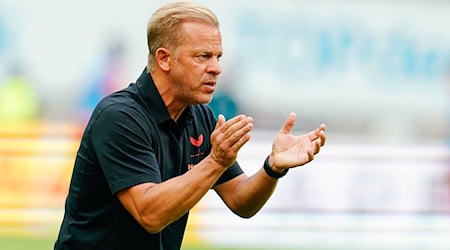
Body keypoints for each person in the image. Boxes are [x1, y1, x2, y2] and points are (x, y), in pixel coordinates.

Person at [54, 1, 326, 249]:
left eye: (218, 57)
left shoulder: (200, 117)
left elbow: (240, 200)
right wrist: (216, 161)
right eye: (202, 56)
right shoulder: (119, 116)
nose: (216, 68)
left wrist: (272, 168)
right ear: (164, 58)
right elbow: (150, 214)